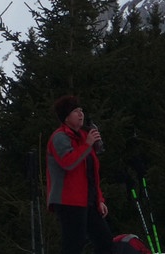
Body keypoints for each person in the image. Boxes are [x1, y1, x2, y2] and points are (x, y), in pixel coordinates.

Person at [47, 95, 113, 254]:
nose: (81, 114)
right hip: (68, 199)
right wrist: (87, 145)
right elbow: (68, 163)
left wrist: (100, 199)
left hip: (87, 200)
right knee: (74, 244)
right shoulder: (59, 137)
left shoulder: (84, 136)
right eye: (76, 111)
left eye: (81, 110)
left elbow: (92, 173)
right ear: (66, 117)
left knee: (105, 241)